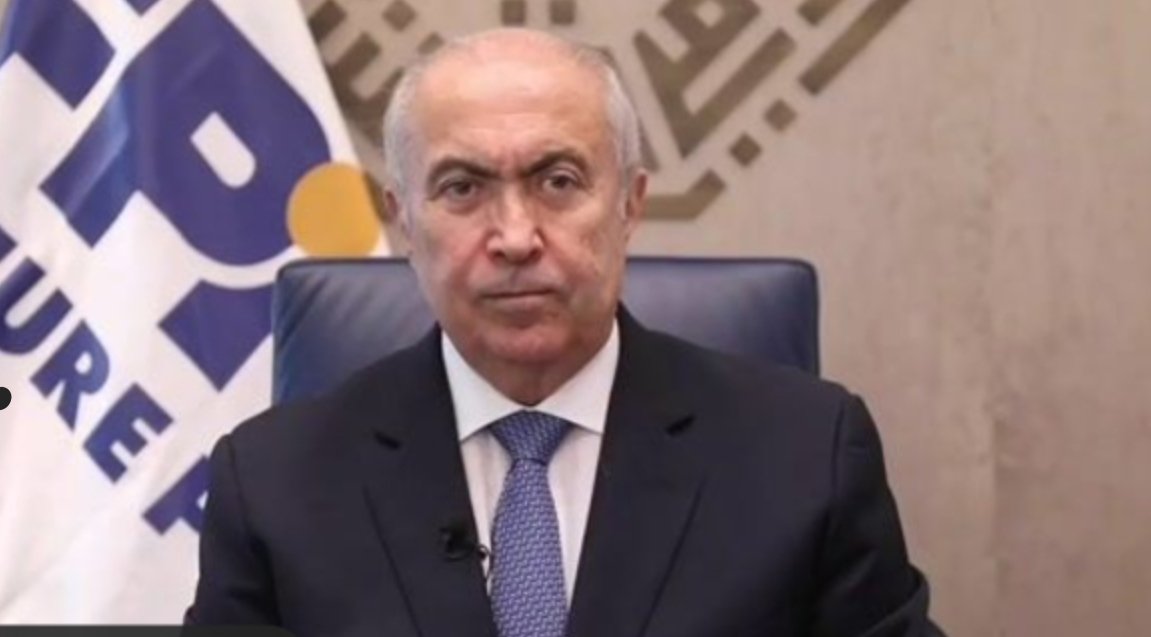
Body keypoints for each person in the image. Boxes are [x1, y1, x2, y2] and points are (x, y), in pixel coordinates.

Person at [187, 28, 935, 637]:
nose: (515, 236)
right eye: (462, 187)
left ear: (630, 205)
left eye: (558, 181)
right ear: (405, 221)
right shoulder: (272, 483)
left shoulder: (806, 455)